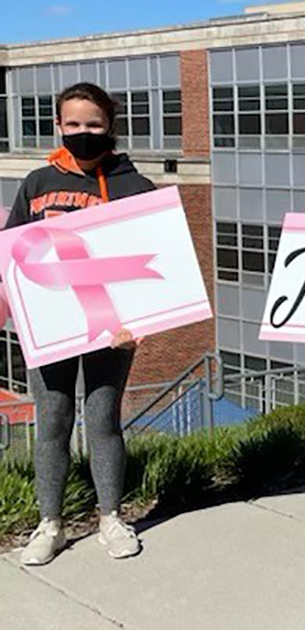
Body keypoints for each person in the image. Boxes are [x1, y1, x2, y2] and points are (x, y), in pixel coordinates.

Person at [10, 83, 153, 566]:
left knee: (102, 420)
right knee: (51, 420)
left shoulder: (135, 186)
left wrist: (142, 319)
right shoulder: (36, 182)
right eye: (73, 125)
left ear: (109, 126)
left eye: (93, 124)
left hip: (113, 328)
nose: (83, 133)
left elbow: (158, 260)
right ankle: (50, 523)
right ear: (59, 127)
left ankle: (111, 517)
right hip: (51, 326)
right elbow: (11, 251)